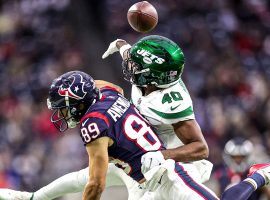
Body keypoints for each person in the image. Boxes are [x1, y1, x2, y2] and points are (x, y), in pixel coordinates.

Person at [1, 36, 270, 200]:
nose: (130, 67)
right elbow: (108, 84)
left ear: (154, 76)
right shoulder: (114, 91)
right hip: (139, 165)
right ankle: (34, 197)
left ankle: (258, 175)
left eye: (136, 66)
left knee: (88, 176)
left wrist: (164, 155)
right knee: (81, 176)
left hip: (167, 165)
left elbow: (201, 149)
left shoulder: (171, 103)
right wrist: (122, 46)